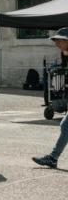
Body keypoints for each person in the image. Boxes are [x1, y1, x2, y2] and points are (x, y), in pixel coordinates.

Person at [33, 27, 68, 168]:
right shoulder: (64, 55)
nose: (55, 43)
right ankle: (53, 158)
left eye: (58, 40)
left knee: (66, 126)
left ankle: (53, 158)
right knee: (65, 125)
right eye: (55, 40)